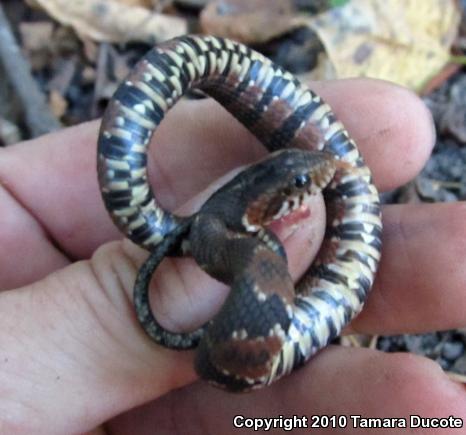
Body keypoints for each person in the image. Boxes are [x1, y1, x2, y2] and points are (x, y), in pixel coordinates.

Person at [0, 78, 465, 435]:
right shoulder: (232, 246)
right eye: (301, 187)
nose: (315, 177)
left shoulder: (245, 236)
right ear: (262, 212)